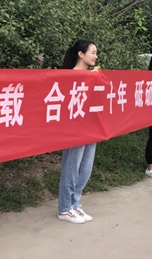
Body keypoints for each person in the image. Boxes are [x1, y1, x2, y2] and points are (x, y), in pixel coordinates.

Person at [57, 40, 98, 224]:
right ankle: (65, 208)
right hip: (75, 130)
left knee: (85, 169)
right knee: (71, 169)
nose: (95, 56)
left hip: (91, 128)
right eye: (93, 52)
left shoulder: (93, 75)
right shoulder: (68, 76)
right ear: (81, 54)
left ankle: (74, 204)